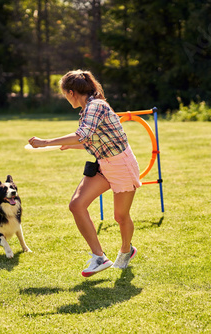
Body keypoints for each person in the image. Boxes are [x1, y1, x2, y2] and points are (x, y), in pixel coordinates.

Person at [28, 69, 141, 277]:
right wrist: (70, 146)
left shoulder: (96, 106)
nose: (65, 99)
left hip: (122, 165)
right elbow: (93, 140)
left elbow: (83, 135)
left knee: (120, 216)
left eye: (64, 95)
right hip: (104, 165)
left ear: (72, 92)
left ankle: (126, 251)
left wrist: (46, 142)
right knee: (76, 205)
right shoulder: (87, 109)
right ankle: (99, 257)